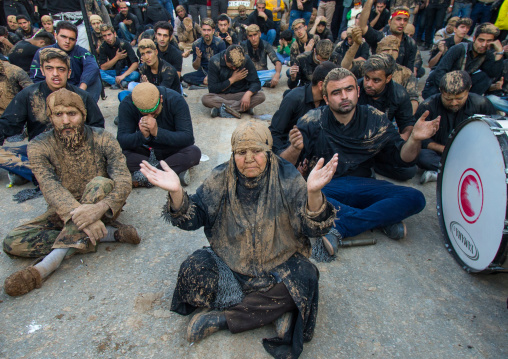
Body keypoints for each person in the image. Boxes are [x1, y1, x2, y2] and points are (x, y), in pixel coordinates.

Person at [139, 120, 336, 358]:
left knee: (307, 276)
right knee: (192, 269)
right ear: (233, 154)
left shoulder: (287, 176)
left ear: (268, 151)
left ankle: (222, 319)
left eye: (257, 151)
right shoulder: (221, 176)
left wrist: (313, 194)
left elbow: (312, 228)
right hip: (230, 263)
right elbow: (195, 217)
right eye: (241, 152)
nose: (249, 158)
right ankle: (273, 310)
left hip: (277, 265)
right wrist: (177, 193)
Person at [280, 68, 436, 256]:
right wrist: (294, 149)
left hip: (364, 184)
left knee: (415, 198)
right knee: (298, 198)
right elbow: (283, 168)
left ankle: (341, 226)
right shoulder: (312, 120)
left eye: (349, 89)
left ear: (358, 92)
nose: (344, 96)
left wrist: (415, 139)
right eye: (336, 92)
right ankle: (383, 218)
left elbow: (403, 158)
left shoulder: (375, 119)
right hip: (325, 188)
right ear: (327, 99)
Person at [2, 88, 139, 297]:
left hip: (101, 206)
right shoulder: (39, 146)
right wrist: (82, 215)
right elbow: (50, 187)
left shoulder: (103, 138)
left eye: (72, 114)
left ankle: (47, 265)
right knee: (13, 242)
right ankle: (107, 235)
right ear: (50, 117)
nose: (66, 121)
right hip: (64, 210)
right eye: (58, 115)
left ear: (83, 115)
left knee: (100, 182)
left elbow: (122, 180)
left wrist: (98, 209)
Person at [0, 48, 104, 185]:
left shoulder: (82, 96)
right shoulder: (29, 95)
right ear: (42, 70)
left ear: (69, 72)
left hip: (74, 153)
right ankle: (38, 172)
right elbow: (8, 124)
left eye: (61, 69)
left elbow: (97, 128)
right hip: (40, 152)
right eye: (49, 68)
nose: (55, 74)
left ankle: (37, 174)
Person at [417, 71, 496, 184]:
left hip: (471, 152)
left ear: (469, 89)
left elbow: (493, 132)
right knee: (421, 156)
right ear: (441, 91)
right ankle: (462, 172)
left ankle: (441, 173)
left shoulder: (481, 103)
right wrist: (444, 149)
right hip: (440, 153)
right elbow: (420, 139)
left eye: (459, 98)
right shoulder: (428, 106)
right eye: (448, 99)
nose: (454, 103)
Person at [117, 83, 201, 187]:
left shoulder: (175, 100)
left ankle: (145, 177)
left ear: (161, 99)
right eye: (145, 114)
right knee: (117, 155)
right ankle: (169, 172)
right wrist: (142, 136)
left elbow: (188, 138)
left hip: (171, 150)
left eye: (153, 112)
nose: (150, 117)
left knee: (194, 153)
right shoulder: (127, 104)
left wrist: (158, 132)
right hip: (145, 152)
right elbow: (122, 140)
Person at [357, 54, 418, 180]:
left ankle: (372, 165)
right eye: (366, 78)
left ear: (388, 78)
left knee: (409, 170)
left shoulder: (399, 94)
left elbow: (407, 124)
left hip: (383, 142)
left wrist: (402, 140)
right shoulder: (356, 89)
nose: (368, 84)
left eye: (376, 80)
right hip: (357, 143)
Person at [270, 62, 338, 155]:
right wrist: (282, 159)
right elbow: (275, 132)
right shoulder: (294, 98)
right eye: (335, 86)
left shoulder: (328, 101)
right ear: (321, 85)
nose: (338, 90)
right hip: (289, 148)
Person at [422, 23, 505, 99]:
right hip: (440, 86)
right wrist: (449, 92)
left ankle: (467, 102)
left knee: (485, 77)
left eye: (488, 41)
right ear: (474, 38)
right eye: (481, 40)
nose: (484, 44)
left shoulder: (487, 54)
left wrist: (499, 52)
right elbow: (440, 71)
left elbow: (492, 74)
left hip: (461, 87)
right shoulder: (459, 48)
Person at [30, 21, 102, 103]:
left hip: (76, 90)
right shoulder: (42, 53)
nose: (67, 41)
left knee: (95, 77)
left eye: (71, 39)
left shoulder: (81, 52)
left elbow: (92, 67)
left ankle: (86, 110)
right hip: (51, 91)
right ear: (55, 35)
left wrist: (81, 89)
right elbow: (35, 79)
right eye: (63, 37)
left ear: (76, 40)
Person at [202, 45, 266, 118]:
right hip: (222, 95)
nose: (234, 68)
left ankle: (222, 109)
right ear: (225, 57)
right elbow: (212, 89)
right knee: (206, 99)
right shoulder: (214, 61)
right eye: (231, 66)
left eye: (237, 66)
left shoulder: (246, 60)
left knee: (261, 96)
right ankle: (244, 108)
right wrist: (232, 79)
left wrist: (248, 95)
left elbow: (256, 83)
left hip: (241, 94)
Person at [359, 0, 417, 73]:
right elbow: (362, 27)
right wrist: (370, 2)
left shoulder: (410, 43)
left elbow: (409, 70)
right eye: (398, 19)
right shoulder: (380, 37)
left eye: (405, 20)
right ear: (390, 22)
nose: (402, 23)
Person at [182, 18, 226, 87]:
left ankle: (206, 82)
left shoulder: (220, 43)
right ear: (201, 30)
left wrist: (212, 76)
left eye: (208, 30)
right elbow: (196, 67)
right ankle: (206, 81)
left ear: (213, 31)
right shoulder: (196, 44)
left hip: (217, 71)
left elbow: (223, 65)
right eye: (204, 30)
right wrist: (198, 57)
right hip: (203, 72)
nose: (206, 33)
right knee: (185, 77)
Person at [98, 25, 140, 90]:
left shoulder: (124, 44)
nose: (107, 38)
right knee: (99, 72)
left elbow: (135, 63)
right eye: (104, 36)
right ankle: (122, 83)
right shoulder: (103, 47)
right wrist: (117, 57)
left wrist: (123, 76)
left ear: (114, 34)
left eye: (109, 35)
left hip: (126, 71)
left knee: (135, 75)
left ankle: (116, 82)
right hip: (114, 71)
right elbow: (103, 67)